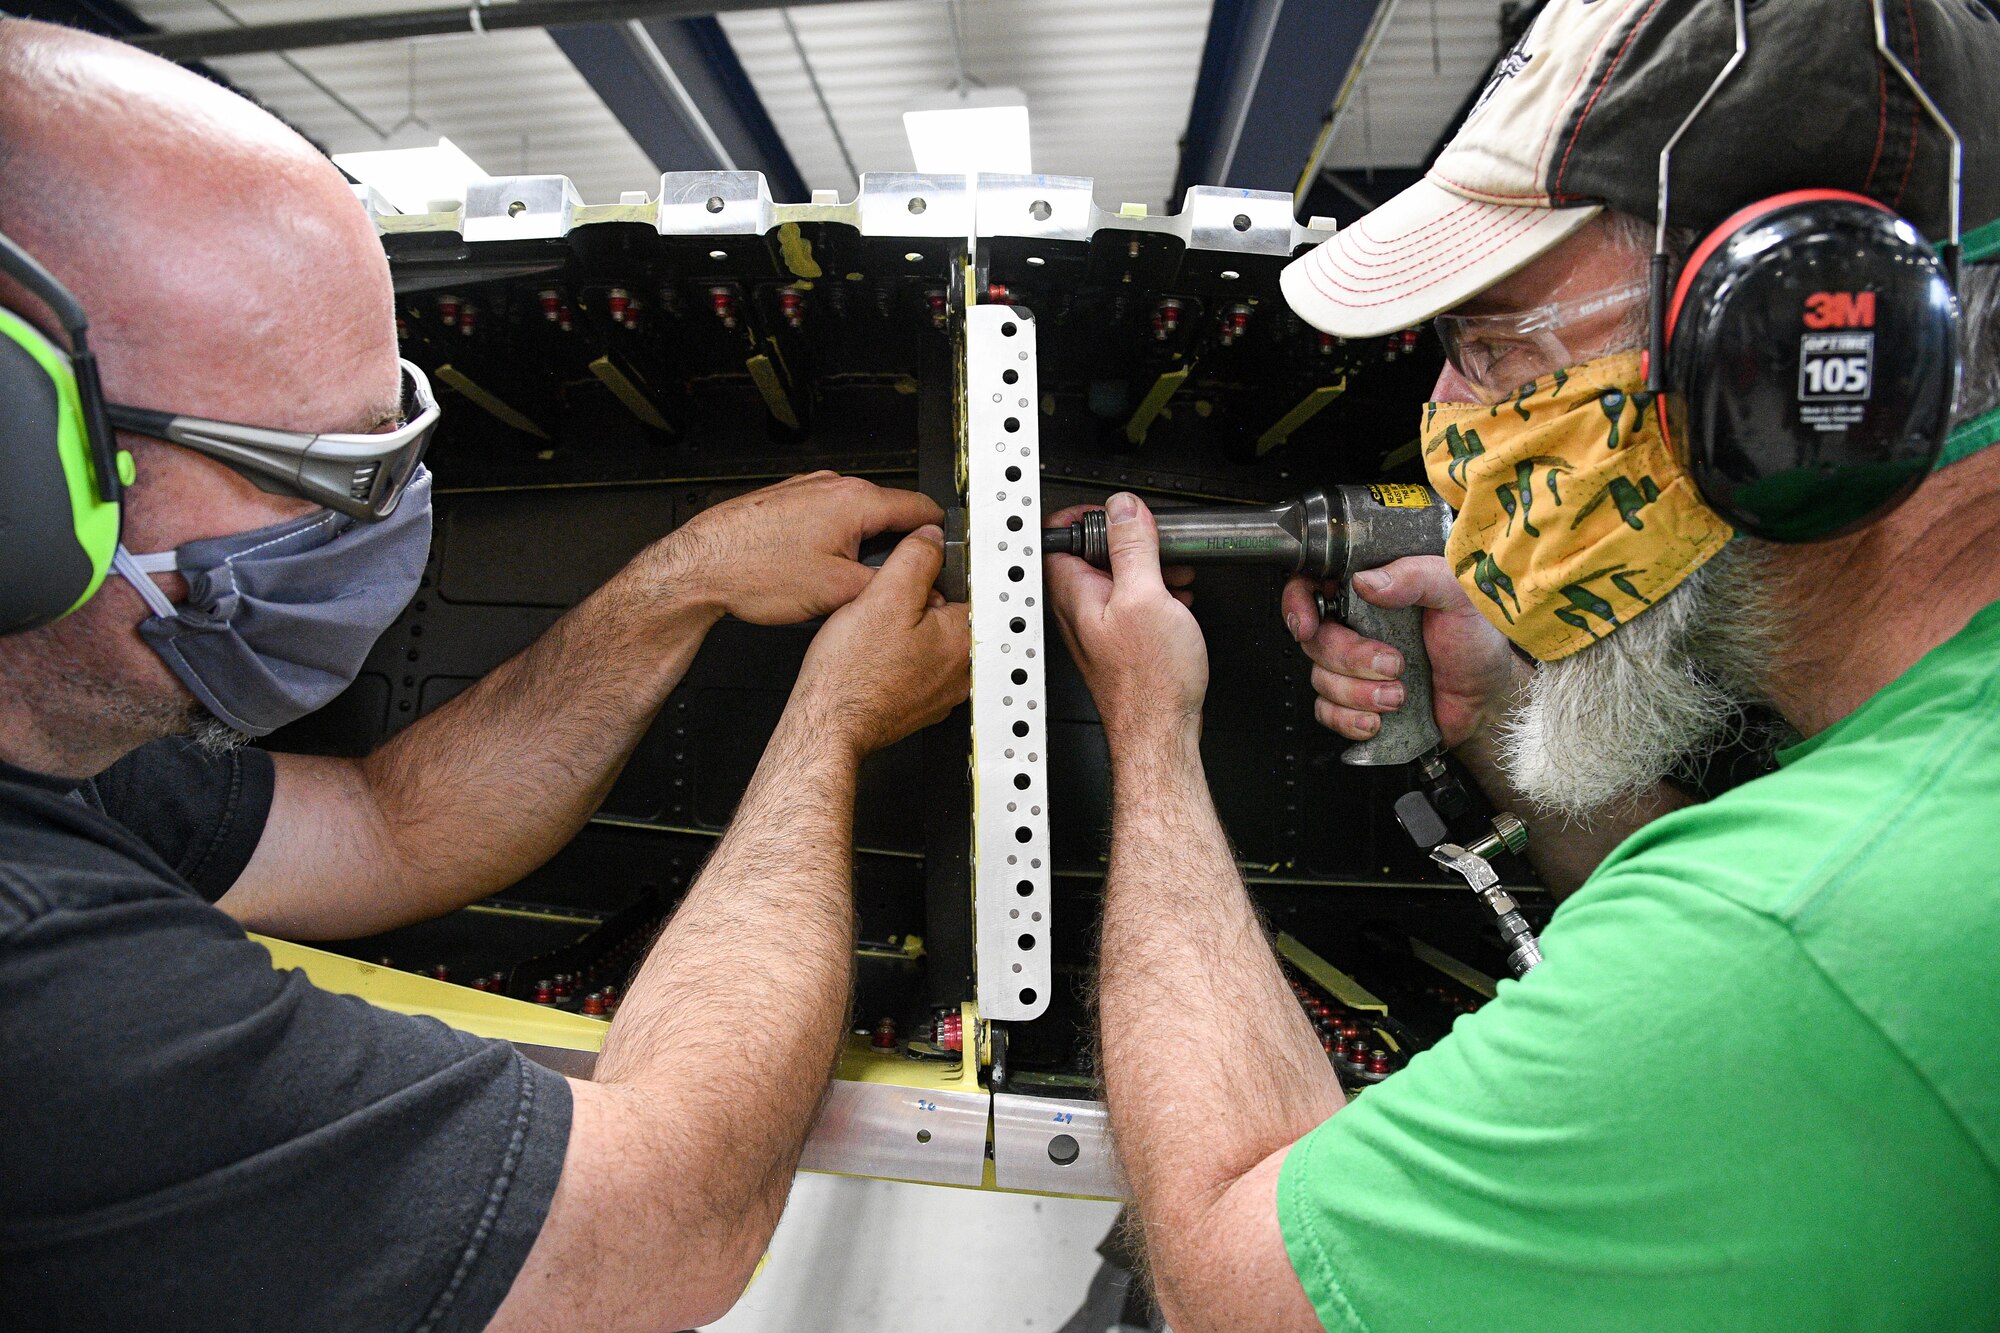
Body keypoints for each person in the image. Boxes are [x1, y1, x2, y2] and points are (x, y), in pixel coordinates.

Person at [0, 19, 968, 1332]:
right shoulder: (39, 982)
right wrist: (832, 724)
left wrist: (684, 577)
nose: (377, 529)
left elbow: (391, 825)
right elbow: (658, 1223)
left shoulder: (49, 731)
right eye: (319, 475)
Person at [1046, 0, 2000, 1328]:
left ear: (1802, 350)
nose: (1449, 422)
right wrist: (1504, 721)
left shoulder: (1804, 934)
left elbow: (1227, 1287)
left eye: (1494, 348)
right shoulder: (1922, 775)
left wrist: (1152, 726)